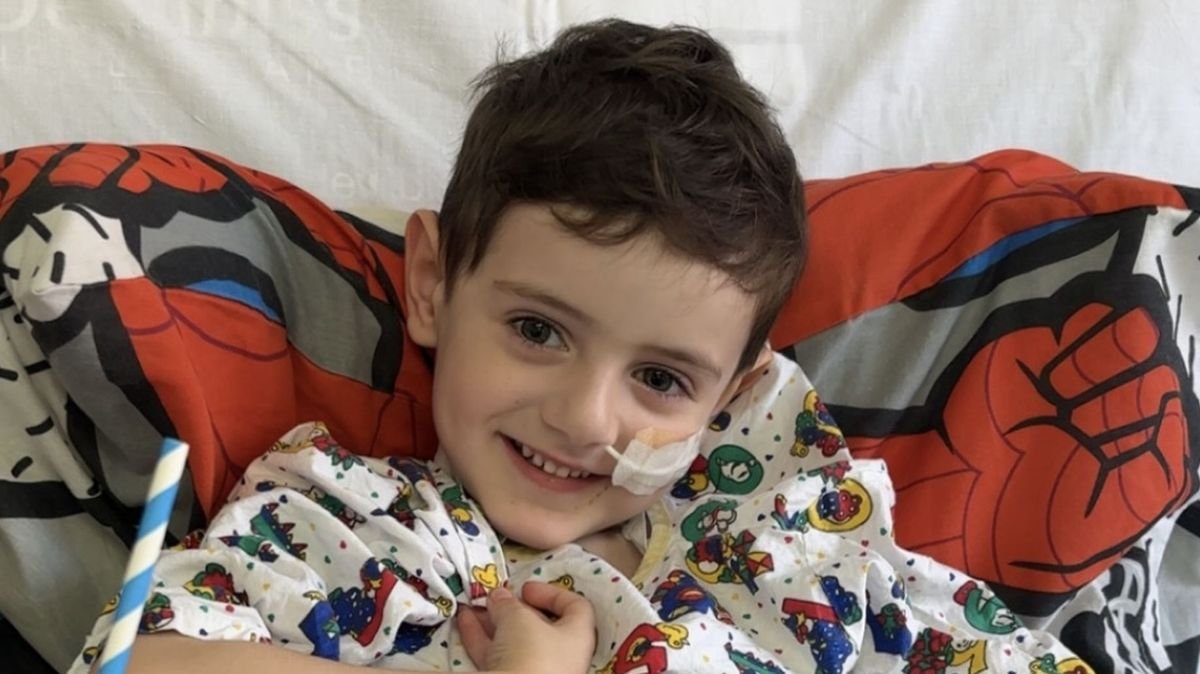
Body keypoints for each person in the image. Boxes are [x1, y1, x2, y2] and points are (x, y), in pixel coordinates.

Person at [73, 19, 1087, 674]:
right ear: (431, 284)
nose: (584, 416)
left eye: (661, 378)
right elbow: (142, 662)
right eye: (537, 329)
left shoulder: (794, 550)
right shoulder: (345, 523)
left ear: (730, 395)